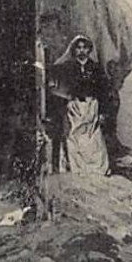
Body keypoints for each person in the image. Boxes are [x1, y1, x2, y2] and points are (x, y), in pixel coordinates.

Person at [46, 34, 113, 175]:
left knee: (93, 138)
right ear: (74, 50)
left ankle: (96, 170)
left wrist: (102, 112)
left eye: (84, 48)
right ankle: (77, 169)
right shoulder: (67, 67)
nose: (81, 51)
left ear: (89, 50)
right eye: (78, 48)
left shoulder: (95, 68)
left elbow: (104, 91)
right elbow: (53, 78)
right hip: (75, 106)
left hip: (92, 106)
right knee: (74, 136)